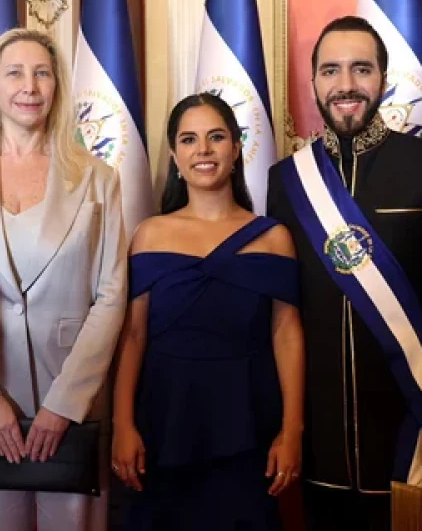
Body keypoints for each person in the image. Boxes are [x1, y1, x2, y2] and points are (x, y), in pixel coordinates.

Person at [266, 16, 422, 530]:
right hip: (314, 430)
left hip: (409, 418)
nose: (345, 84)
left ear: (382, 78)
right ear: (313, 82)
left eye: (361, 69)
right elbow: (280, 310)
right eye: (330, 70)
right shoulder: (287, 181)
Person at [0, 27, 127, 531]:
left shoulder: (97, 179)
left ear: (57, 86)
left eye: (42, 73)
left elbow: (111, 296)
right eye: (14, 72)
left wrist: (66, 402)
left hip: (71, 399)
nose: (30, 86)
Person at [112, 92, 305, 530]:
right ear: (175, 155)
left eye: (216, 137)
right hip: (164, 417)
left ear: (236, 149)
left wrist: (292, 430)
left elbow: (287, 334)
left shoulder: (274, 237)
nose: (203, 149)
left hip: (248, 418)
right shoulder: (149, 234)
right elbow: (133, 336)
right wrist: (123, 423)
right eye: (189, 139)